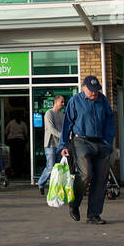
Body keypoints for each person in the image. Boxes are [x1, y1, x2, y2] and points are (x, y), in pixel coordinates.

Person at [60, 75, 116, 224]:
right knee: (85, 174)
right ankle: (74, 203)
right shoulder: (75, 101)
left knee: (101, 179)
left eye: (96, 90)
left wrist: (108, 143)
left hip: (101, 143)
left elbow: (110, 122)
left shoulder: (103, 100)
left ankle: (93, 215)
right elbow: (67, 125)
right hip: (81, 141)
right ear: (83, 87)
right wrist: (63, 145)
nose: (94, 93)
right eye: (91, 90)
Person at [36, 96, 66, 195]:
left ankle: (55, 186)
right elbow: (51, 129)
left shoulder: (61, 114)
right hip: (50, 144)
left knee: (58, 167)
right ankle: (41, 183)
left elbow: (63, 127)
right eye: (61, 102)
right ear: (56, 102)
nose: (63, 104)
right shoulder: (49, 113)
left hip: (59, 145)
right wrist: (62, 136)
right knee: (50, 166)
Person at [4, 111, 28, 179]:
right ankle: (19, 171)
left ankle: (13, 171)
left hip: (12, 141)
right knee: (20, 157)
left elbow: (6, 131)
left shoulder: (11, 123)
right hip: (20, 141)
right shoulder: (23, 124)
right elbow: (26, 133)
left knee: (12, 157)